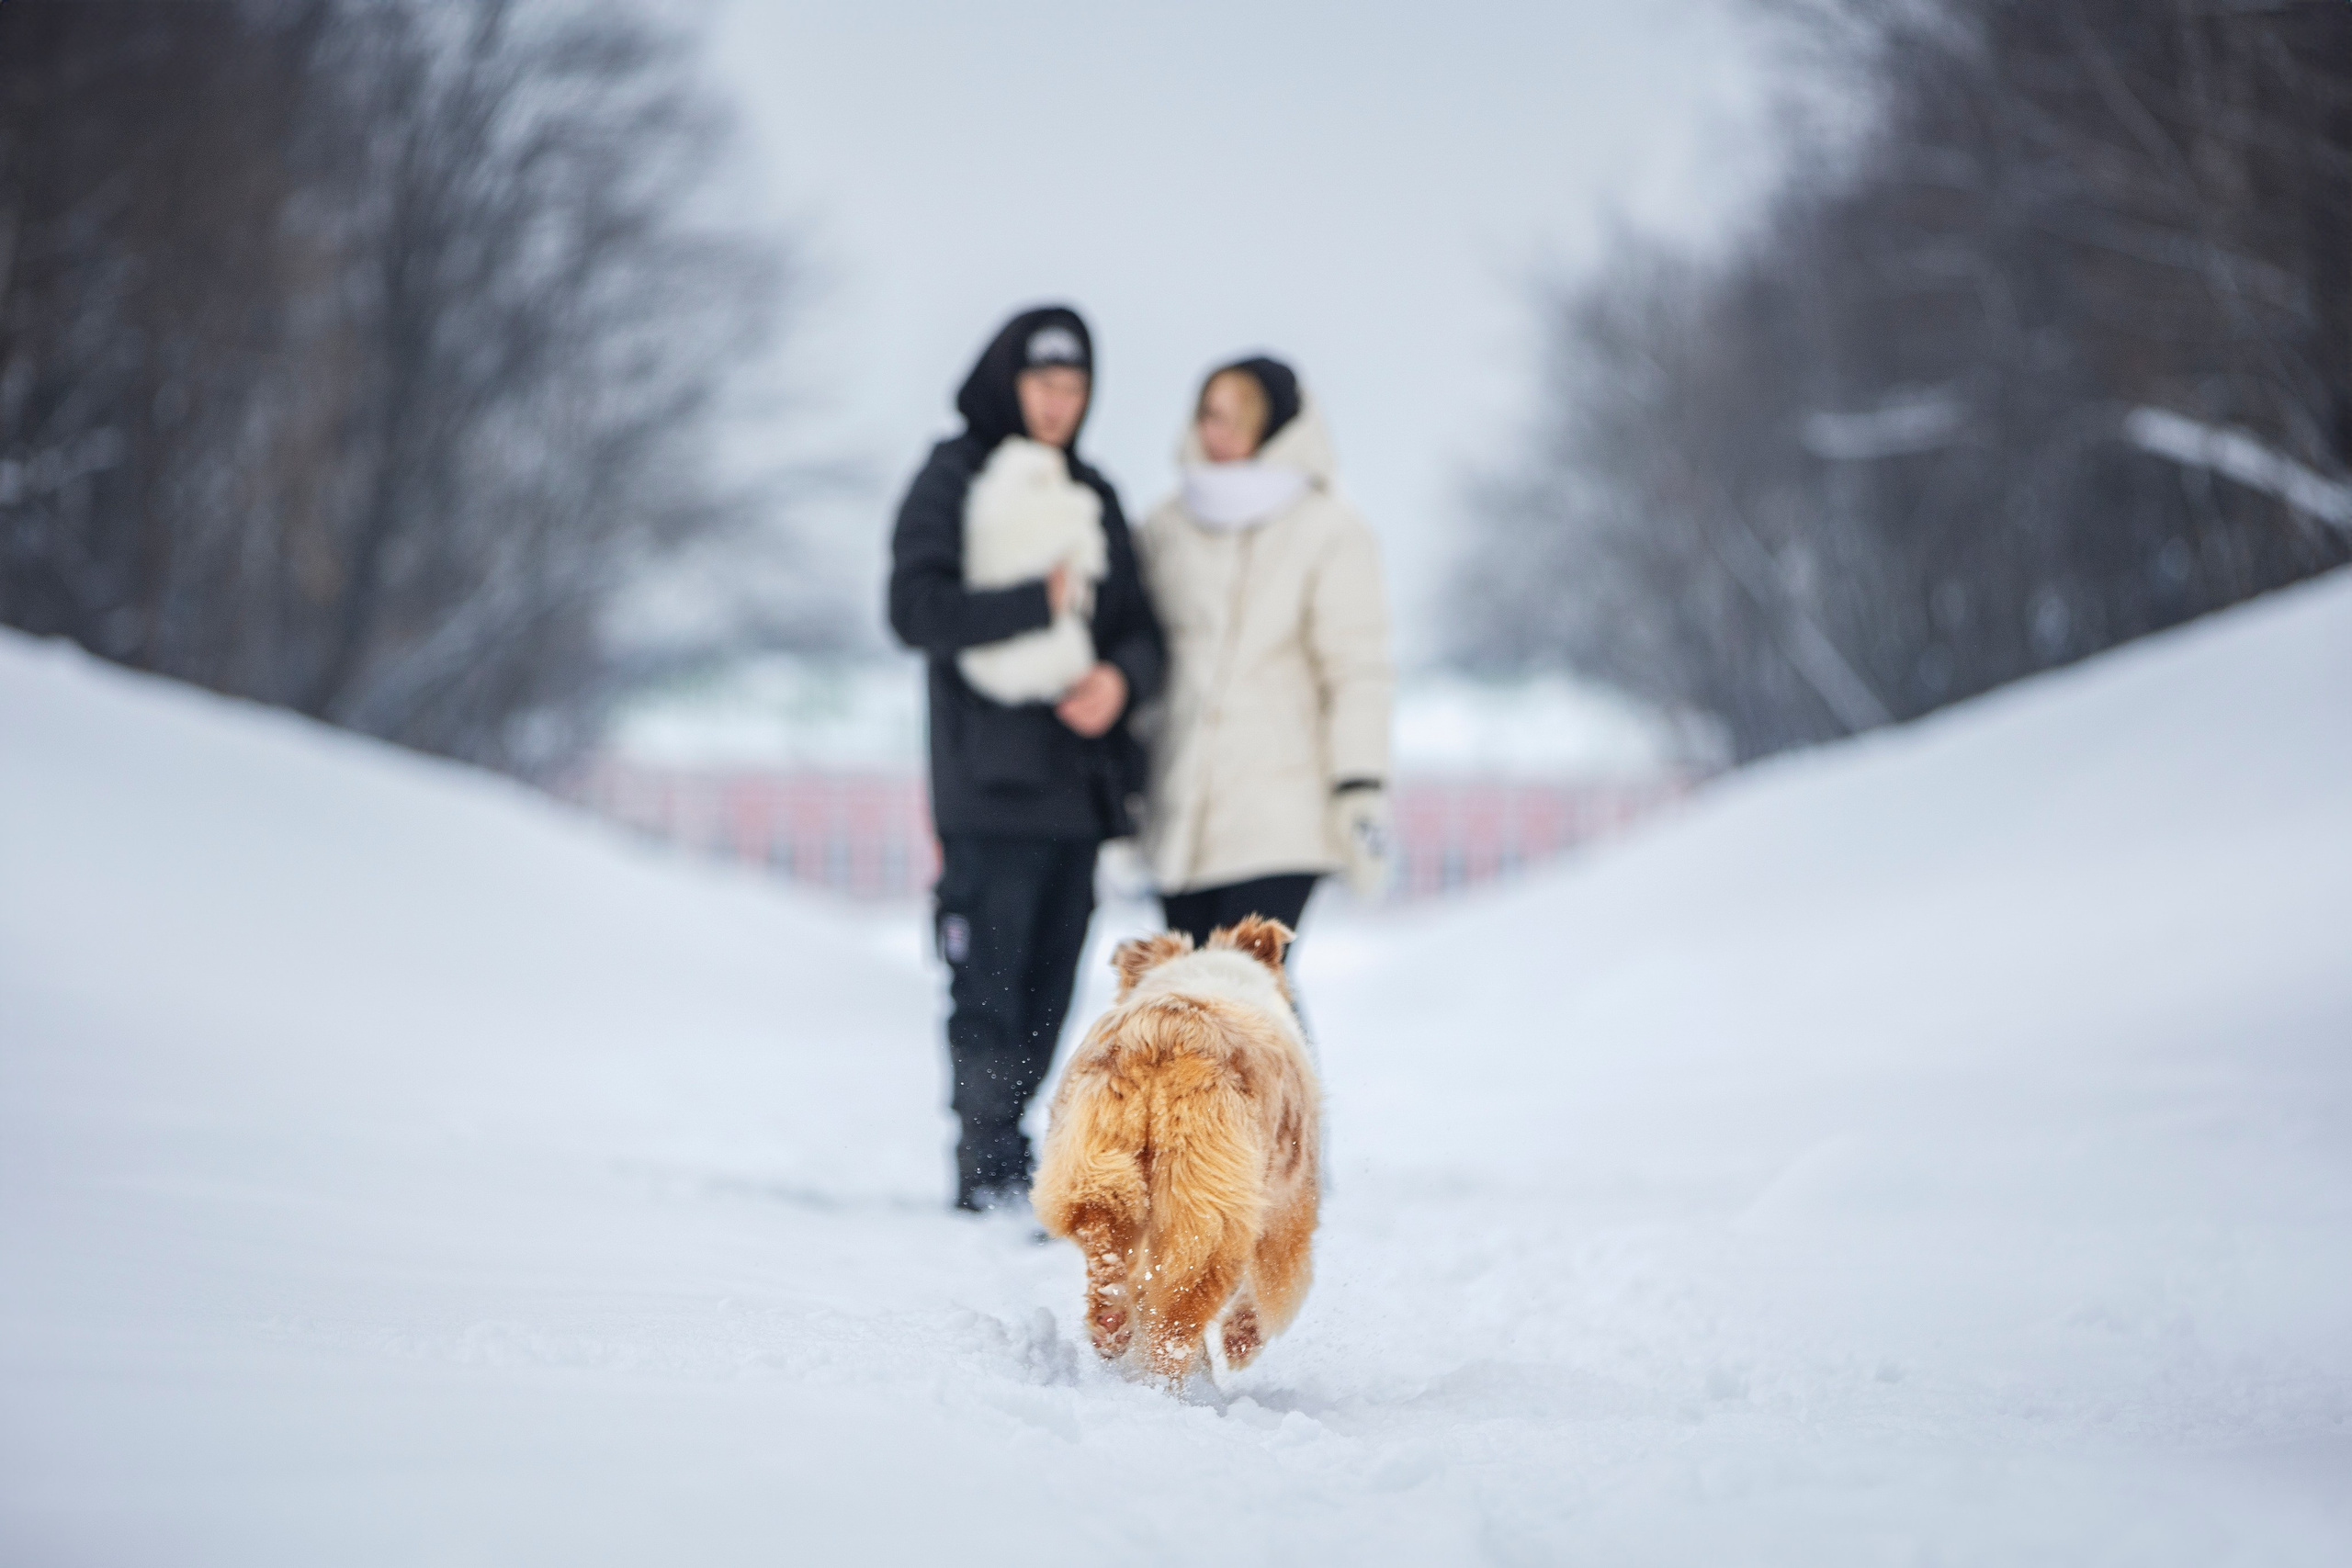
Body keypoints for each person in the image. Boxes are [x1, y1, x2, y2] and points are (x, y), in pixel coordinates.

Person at [888, 305, 1165, 1213]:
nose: (1058, 402)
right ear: (1009, 382)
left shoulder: (1091, 490)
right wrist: (1030, 603)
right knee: (988, 986)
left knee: (1052, 986)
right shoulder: (953, 475)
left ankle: (1015, 1155)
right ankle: (984, 1168)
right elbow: (915, 609)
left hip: (1077, 794)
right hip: (987, 791)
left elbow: (1141, 631)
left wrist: (1119, 684)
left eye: (1074, 386)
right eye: (1044, 383)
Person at [1134, 355, 1394, 957]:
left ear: (1274, 427)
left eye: (1236, 417)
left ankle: (1281, 1058)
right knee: (1191, 989)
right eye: (1208, 414)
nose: (1215, 431)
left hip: (1282, 808)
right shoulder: (1164, 527)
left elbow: (1357, 671)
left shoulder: (1330, 529)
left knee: (1248, 982)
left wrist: (1359, 789)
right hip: (1181, 806)